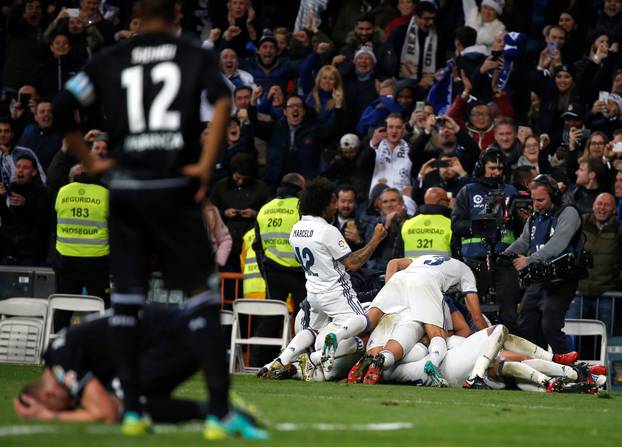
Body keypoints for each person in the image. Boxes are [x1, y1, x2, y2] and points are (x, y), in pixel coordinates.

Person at [52, 0, 265, 440]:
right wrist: (206, 164)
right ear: (177, 17)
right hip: (171, 187)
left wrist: (91, 165)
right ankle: (218, 413)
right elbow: (223, 100)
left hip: (125, 191)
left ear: (136, 20)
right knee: (202, 299)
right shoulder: (190, 53)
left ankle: (132, 411)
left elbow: (62, 104)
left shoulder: (111, 57)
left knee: (126, 302)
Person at [14, 304, 265, 425]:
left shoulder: (61, 363)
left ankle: (216, 411)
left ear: (49, 393)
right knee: (132, 401)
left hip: (179, 338)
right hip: (186, 333)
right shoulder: (58, 352)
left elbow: (106, 413)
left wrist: (52, 415)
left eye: (65, 402)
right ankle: (216, 409)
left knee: (122, 404)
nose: (72, 403)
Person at [258, 177, 387, 377]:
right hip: (336, 292)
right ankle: (311, 360)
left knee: (313, 330)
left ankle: (280, 360)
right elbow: (353, 263)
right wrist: (376, 239)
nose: (336, 206)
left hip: (313, 292)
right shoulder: (328, 231)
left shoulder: (296, 229)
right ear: (324, 204)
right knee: (364, 328)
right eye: (334, 202)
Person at [329, 255, 488, 387]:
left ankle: (339, 335)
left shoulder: (429, 258)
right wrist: (486, 340)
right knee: (436, 333)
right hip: (423, 286)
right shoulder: (466, 273)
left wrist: (390, 288)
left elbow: (394, 263)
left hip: (398, 281)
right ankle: (432, 365)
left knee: (371, 318)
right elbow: (476, 317)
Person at [503, 174, 583, 354]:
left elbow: (558, 244)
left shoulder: (568, 213)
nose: (536, 204)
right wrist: (504, 255)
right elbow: (524, 242)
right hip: (538, 278)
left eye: (541, 199)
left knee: (550, 326)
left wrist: (528, 260)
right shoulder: (535, 217)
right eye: (533, 199)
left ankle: (570, 370)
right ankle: (541, 365)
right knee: (526, 323)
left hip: (561, 279)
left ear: (554, 196)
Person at [451, 147, 521, 332]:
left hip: (505, 261)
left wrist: (520, 218)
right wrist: (480, 227)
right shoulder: (468, 191)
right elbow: (456, 225)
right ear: (482, 167)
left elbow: (521, 229)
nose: (496, 172)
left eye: (499, 169)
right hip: (474, 262)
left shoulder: (511, 191)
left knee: (510, 316)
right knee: (469, 312)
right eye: (492, 168)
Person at [252, 173, 306, 363]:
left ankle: (258, 363)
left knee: (270, 318)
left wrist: (265, 272)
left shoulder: (265, 209)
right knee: (304, 320)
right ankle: (304, 362)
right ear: (300, 187)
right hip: (300, 273)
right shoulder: (301, 207)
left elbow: (257, 246)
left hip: (273, 271)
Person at [52, 163, 110, 330]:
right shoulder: (105, 194)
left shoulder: (63, 191)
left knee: (64, 309)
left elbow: (54, 222)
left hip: (66, 260)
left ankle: (60, 344)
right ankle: (99, 348)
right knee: (99, 310)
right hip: (97, 261)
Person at [567, 193, 622, 341]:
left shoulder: (618, 229)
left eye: (607, 204)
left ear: (614, 209)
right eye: (599, 203)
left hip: (606, 294)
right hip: (579, 291)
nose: (602, 208)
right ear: (593, 206)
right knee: (569, 336)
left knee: (605, 339)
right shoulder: (580, 223)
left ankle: (605, 365)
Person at [0, 153, 51, 266]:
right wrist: (1, 198)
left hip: (31, 255)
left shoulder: (42, 192)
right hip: (6, 252)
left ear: (34, 172)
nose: (20, 170)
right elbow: (5, 217)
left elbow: (44, 222)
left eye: (25, 167)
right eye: (18, 167)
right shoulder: (9, 188)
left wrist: (25, 204)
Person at [401, 187, 453, 259]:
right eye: (448, 200)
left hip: (412, 269)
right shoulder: (450, 223)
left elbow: (397, 254)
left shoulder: (407, 224)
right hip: (442, 269)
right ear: (441, 202)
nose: (449, 203)